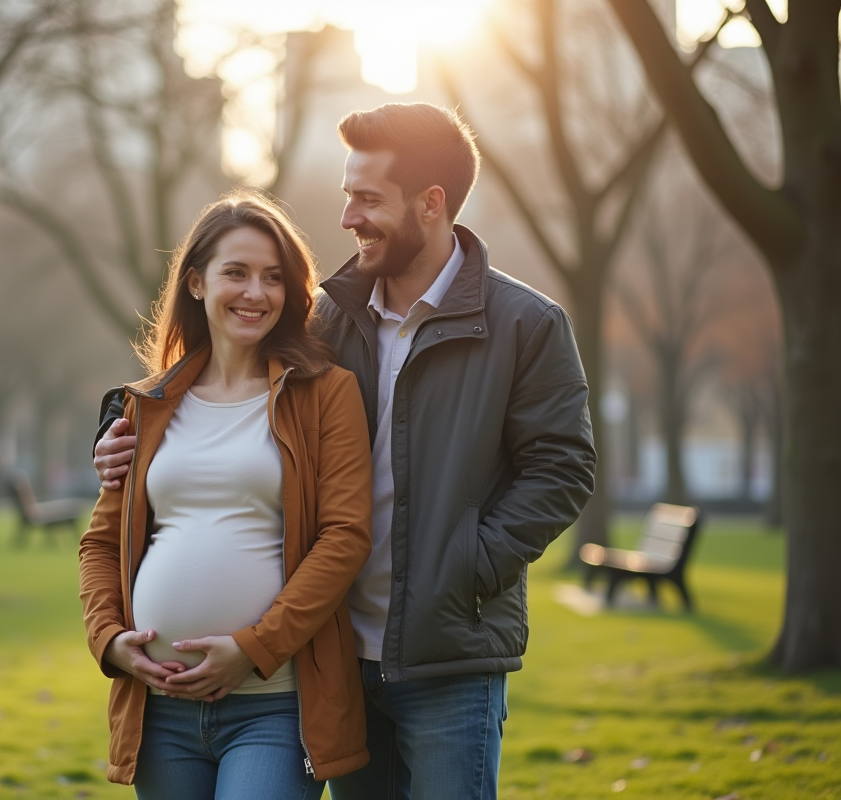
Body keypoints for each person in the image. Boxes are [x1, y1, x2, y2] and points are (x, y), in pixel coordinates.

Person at [94, 103, 597, 799]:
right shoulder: (326, 319)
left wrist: (468, 567)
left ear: (430, 203)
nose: (347, 218)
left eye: (366, 199)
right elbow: (216, 389)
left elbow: (564, 467)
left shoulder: (525, 325)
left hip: (445, 656)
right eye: (346, 195)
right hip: (332, 657)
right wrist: (117, 433)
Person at [78, 190, 374, 799]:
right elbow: (102, 543)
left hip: (275, 706)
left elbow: (345, 539)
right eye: (235, 273)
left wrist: (253, 649)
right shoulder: (145, 405)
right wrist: (109, 640)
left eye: (273, 277)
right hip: (160, 712)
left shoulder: (326, 393)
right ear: (195, 283)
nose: (255, 293)